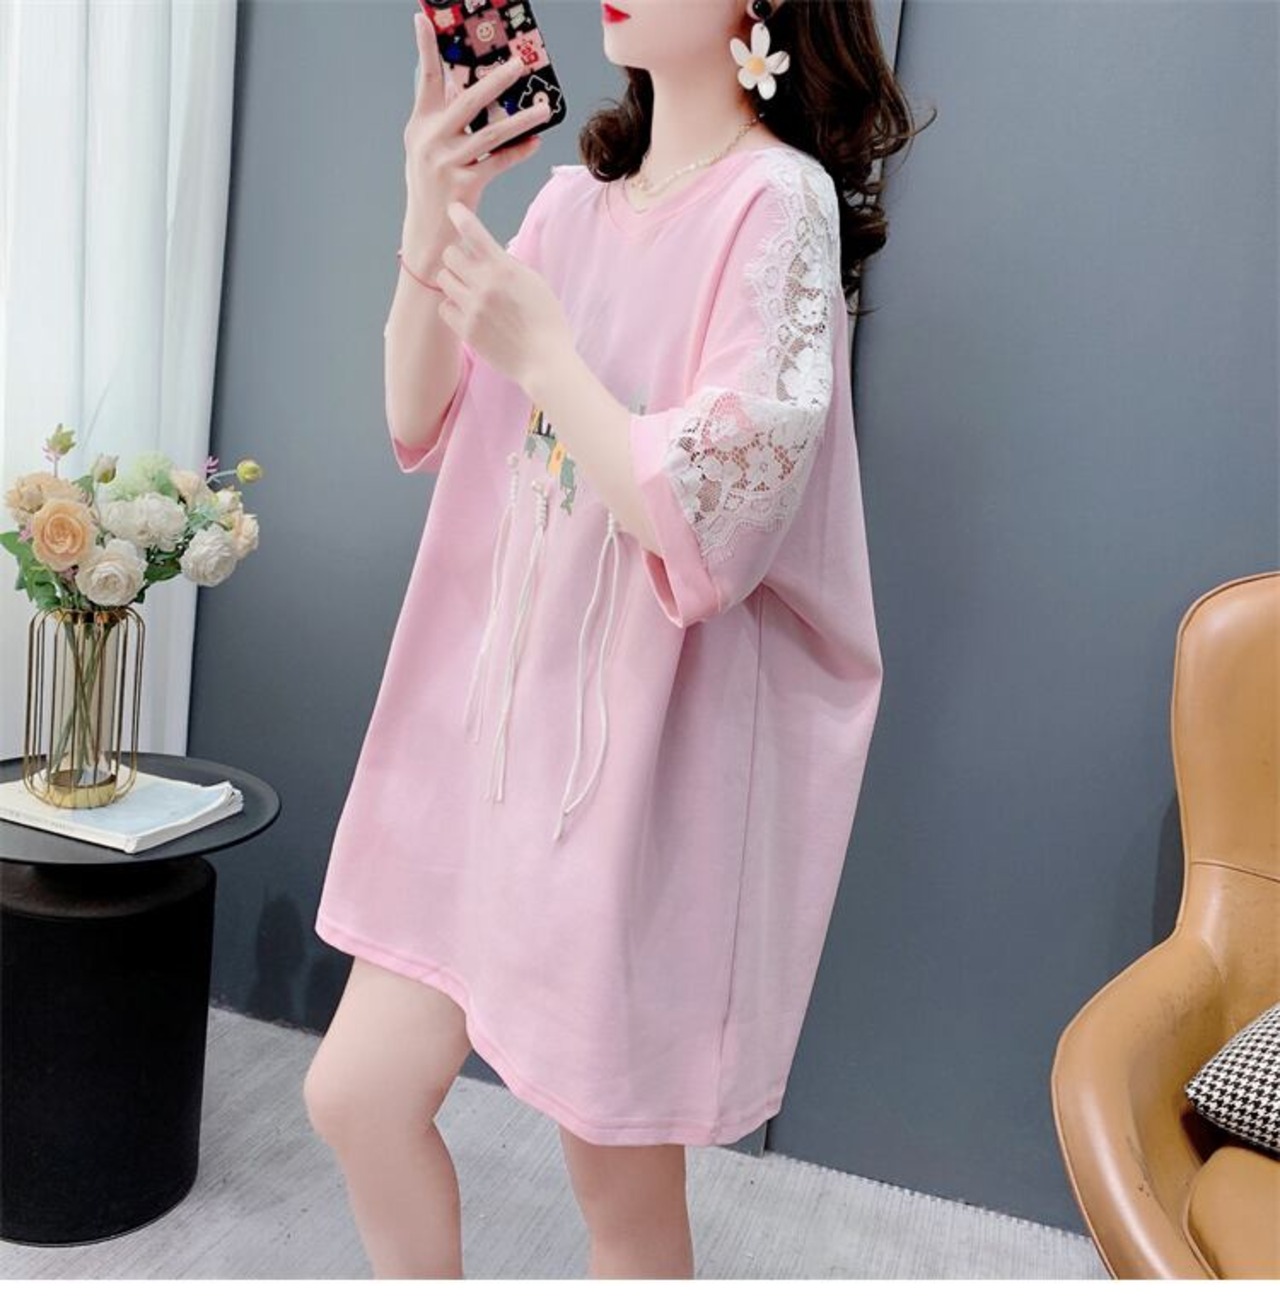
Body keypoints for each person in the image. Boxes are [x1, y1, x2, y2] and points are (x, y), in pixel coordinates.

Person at [304, 0, 926, 1281]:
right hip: (488, 745)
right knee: (354, 1096)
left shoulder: (778, 203)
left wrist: (543, 353)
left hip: (635, 771)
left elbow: (719, 515)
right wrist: (432, 202)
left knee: (617, 1192)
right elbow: (415, 415)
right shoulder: (565, 212)